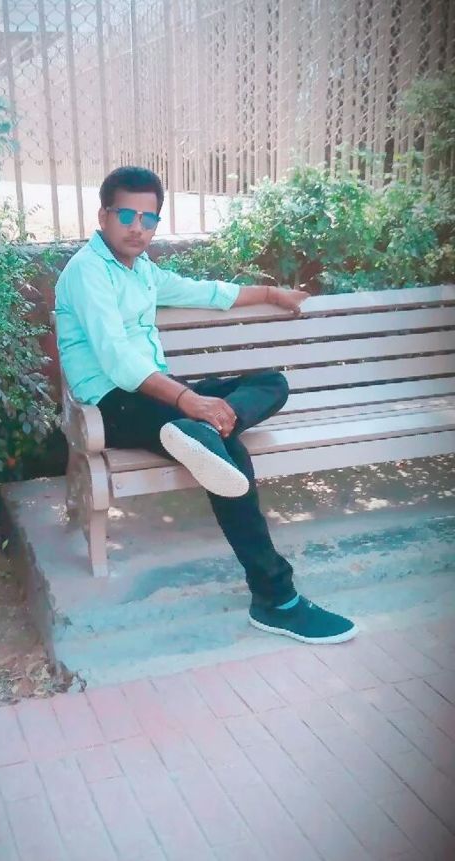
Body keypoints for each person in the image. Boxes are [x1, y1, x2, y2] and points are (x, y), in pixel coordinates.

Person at [55, 166, 357, 644]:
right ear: (104, 216)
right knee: (230, 452)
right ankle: (276, 599)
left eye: (149, 219)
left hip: (159, 394)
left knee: (271, 382)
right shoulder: (87, 272)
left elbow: (206, 292)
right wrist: (187, 399)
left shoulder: (142, 271)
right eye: (127, 215)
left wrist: (270, 293)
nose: (138, 228)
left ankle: (207, 429)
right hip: (111, 405)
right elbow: (117, 361)